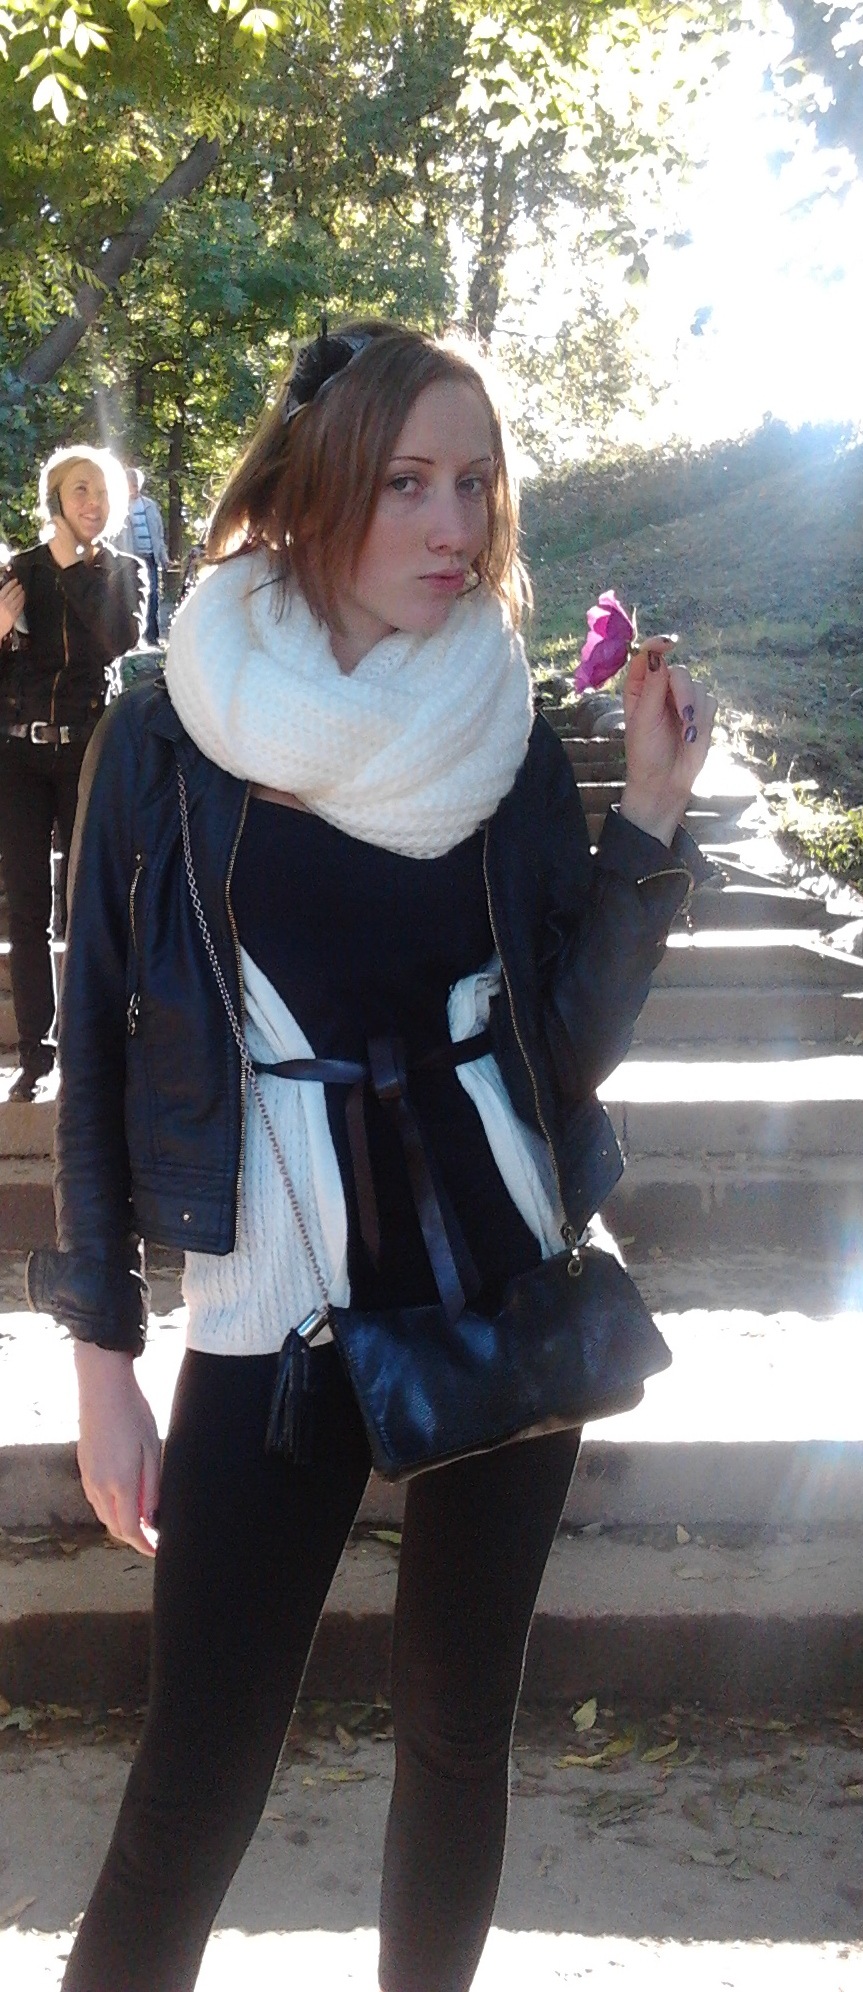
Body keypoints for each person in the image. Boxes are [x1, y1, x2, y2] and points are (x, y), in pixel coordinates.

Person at [33, 321, 716, 1992]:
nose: (451, 523)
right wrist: (106, 1361)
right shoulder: (166, 729)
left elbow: (556, 1051)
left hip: (496, 1279)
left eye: (474, 484)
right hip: (274, 1319)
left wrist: (643, 821)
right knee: (194, 1780)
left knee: (455, 1732)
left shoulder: (501, 733)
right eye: (407, 481)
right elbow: (98, 1049)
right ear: (315, 488)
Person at [0, 446, 145, 1102]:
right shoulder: (17, 572)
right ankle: (36, 1054)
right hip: (19, 758)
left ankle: (91, 1050)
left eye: (103, 491)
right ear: (55, 498)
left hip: (87, 752)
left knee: (85, 903)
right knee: (28, 908)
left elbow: (118, 639)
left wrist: (74, 569)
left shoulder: (124, 571)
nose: (93, 501)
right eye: (80, 489)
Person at [118, 466, 169, 643]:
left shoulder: (150, 506)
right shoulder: (120, 508)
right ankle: (133, 638)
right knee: (132, 596)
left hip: (150, 556)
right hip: (131, 559)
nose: (134, 487)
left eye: (136, 484)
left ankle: (152, 636)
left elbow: (158, 533)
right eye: (131, 484)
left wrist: (163, 556)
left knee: (153, 595)